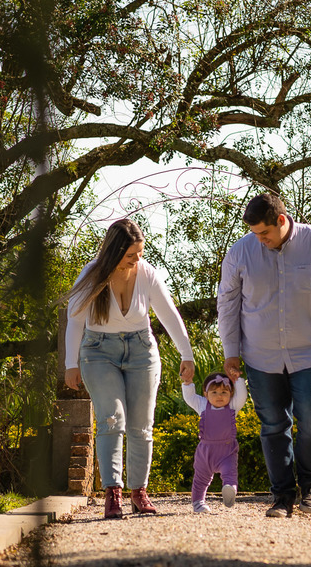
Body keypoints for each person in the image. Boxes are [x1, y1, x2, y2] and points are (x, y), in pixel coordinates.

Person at [217, 192, 311, 518]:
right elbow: (227, 304)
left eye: (265, 233)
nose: (260, 239)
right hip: (260, 356)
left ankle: (310, 488)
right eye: (255, 233)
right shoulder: (240, 252)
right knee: (273, 425)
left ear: (281, 220)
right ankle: (282, 496)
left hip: (310, 352)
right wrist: (231, 352)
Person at [64, 218, 195, 519]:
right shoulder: (92, 274)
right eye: (130, 255)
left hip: (141, 351)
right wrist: (71, 364)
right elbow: (75, 319)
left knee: (141, 424)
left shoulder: (147, 273)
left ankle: (139, 492)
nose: (137, 259)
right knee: (112, 419)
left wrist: (186, 353)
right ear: (114, 252)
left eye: (140, 253)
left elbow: (169, 314)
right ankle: (113, 492)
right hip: (99, 352)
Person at [180, 371, 247, 513]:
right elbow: (190, 397)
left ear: (231, 393)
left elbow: (242, 396)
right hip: (205, 452)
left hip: (227, 452)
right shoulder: (203, 405)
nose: (219, 396)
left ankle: (229, 490)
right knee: (200, 479)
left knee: (230, 473)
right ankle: (198, 502)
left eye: (224, 392)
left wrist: (237, 379)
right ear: (206, 394)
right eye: (214, 392)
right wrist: (187, 383)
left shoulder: (232, 406)